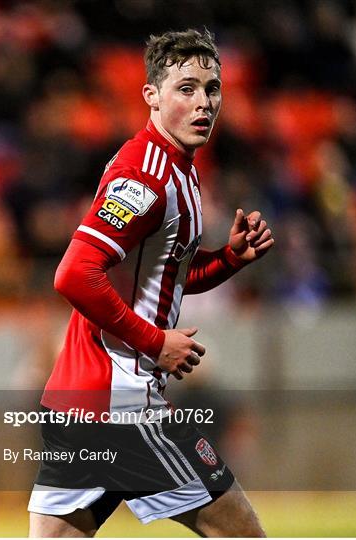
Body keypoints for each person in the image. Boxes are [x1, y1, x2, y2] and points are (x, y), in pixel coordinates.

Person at [28, 28, 273, 537]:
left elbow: (162, 279)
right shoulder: (147, 175)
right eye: (186, 88)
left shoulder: (178, 169)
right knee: (243, 533)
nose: (203, 102)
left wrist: (228, 259)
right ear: (151, 96)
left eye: (212, 88)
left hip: (79, 405)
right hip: (122, 404)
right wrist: (153, 341)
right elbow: (73, 274)